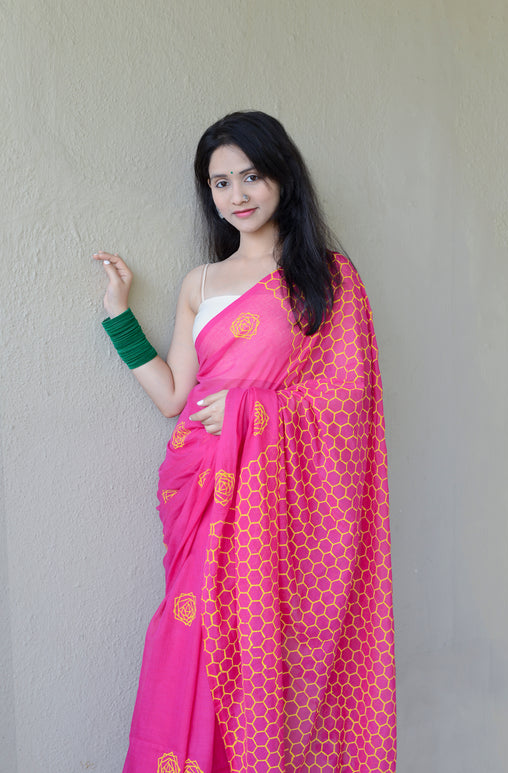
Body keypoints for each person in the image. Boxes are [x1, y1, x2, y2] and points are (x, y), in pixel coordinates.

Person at [93, 111, 396, 773]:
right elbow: (174, 395)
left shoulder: (328, 279)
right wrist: (119, 316)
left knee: (263, 651)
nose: (237, 195)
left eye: (251, 176)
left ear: (283, 176)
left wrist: (246, 409)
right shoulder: (200, 282)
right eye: (220, 182)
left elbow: (348, 401)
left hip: (274, 506)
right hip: (204, 488)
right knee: (195, 642)